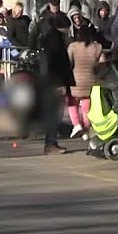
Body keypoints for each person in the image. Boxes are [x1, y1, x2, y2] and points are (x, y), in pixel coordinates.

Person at [36, 12, 74, 154]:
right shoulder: (55, 41)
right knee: (55, 113)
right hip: (55, 82)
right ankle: (51, 143)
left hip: (51, 81)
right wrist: (59, 84)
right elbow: (55, 64)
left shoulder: (51, 38)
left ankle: (51, 141)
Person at [67, 13, 103, 142]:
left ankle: (76, 124)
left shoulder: (73, 47)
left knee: (72, 103)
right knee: (87, 107)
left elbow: (69, 63)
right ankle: (86, 130)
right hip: (91, 81)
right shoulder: (97, 47)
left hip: (75, 81)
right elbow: (101, 63)